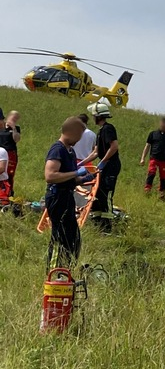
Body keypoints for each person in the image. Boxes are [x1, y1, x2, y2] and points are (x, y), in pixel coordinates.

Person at [45, 117, 93, 268]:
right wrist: (75, 173)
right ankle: (53, 271)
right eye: (78, 136)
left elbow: (70, 179)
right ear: (71, 132)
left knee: (73, 238)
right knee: (59, 237)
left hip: (67, 196)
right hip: (57, 197)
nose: (79, 140)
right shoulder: (57, 149)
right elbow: (50, 176)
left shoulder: (70, 151)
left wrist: (84, 179)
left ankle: (67, 269)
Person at [82, 102, 120, 234]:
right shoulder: (100, 131)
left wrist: (103, 162)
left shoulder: (108, 129)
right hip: (104, 166)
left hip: (111, 166)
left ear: (98, 116)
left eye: (94, 115)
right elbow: (96, 152)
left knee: (106, 194)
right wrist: (82, 163)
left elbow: (114, 146)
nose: (93, 118)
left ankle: (107, 227)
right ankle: (98, 224)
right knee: (98, 194)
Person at [141, 117, 165, 199]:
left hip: (164, 160)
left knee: (163, 177)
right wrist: (143, 158)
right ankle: (147, 190)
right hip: (154, 158)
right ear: (160, 124)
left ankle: (162, 193)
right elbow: (147, 146)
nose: (164, 126)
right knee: (151, 173)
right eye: (163, 124)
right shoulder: (153, 134)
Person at [0, 110, 21, 198]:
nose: (14, 120)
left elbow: (16, 139)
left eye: (16, 118)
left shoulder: (16, 128)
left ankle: (9, 192)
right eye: (13, 117)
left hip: (10, 153)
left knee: (9, 174)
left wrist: (14, 129)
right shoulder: (1, 126)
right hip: (1, 153)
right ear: (8, 117)